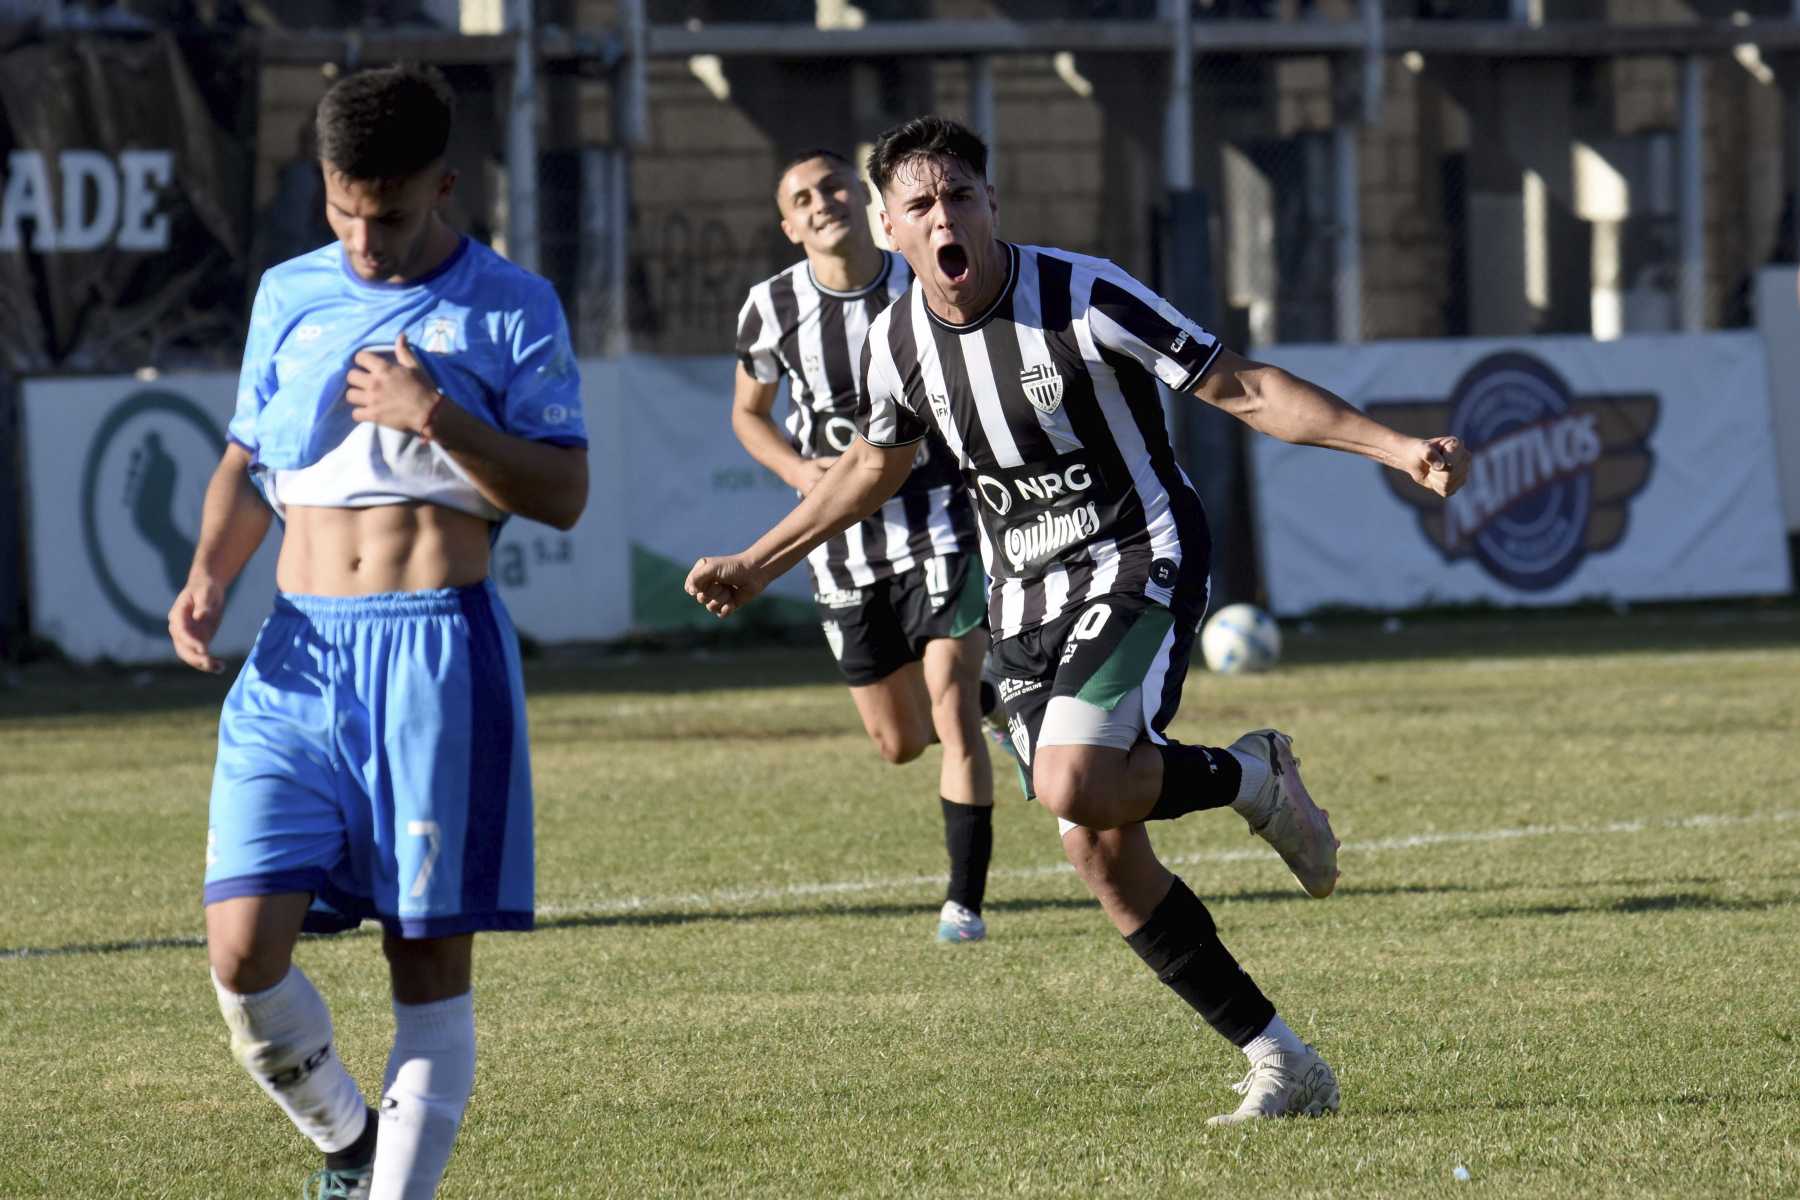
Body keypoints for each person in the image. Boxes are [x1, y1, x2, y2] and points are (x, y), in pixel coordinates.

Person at [686, 116, 1470, 1123]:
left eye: (960, 194)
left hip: (1138, 561)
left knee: (1070, 779)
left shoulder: (1085, 293)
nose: (943, 216)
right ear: (890, 232)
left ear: (993, 204)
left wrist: (1397, 448)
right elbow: (874, 466)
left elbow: (1243, 386)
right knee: (1094, 845)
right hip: (1022, 596)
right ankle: (1284, 1059)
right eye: (920, 205)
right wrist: (762, 561)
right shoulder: (893, 340)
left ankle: (1247, 776)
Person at [168, 64, 588, 1197]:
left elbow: (562, 494)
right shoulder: (287, 293)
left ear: (445, 185)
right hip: (296, 654)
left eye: (390, 213)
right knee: (242, 958)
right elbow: (249, 462)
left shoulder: (512, 306)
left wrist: (436, 414)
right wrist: (210, 575)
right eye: (343, 207)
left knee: (424, 964)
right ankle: (350, 1143)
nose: (363, 236)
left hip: (437, 656)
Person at [731, 148, 998, 943]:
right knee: (899, 742)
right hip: (843, 544)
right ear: (789, 225)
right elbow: (747, 413)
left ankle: (964, 906)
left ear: (871, 203)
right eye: (803, 198)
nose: (823, 203)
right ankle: (999, 699)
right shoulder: (770, 307)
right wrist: (795, 470)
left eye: (836, 186)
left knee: (949, 707)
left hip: (942, 520)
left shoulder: (919, 279)